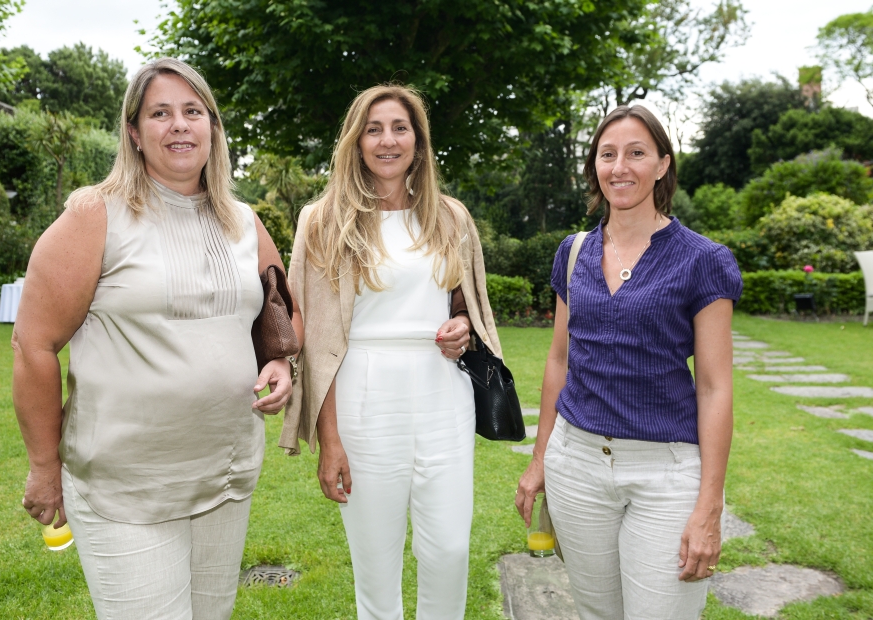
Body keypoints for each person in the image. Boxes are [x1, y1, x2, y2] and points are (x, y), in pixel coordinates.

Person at [12, 57, 302, 620]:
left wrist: (280, 363)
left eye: (193, 111)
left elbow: (281, 312)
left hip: (224, 476)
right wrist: (45, 467)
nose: (179, 125)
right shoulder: (95, 214)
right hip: (126, 486)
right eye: (160, 113)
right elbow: (33, 345)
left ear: (212, 127)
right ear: (134, 132)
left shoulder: (242, 219)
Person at [279, 84, 501, 620]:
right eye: (373, 129)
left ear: (418, 142)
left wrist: (462, 326)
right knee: (376, 566)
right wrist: (330, 439)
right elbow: (317, 341)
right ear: (355, 142)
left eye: (400, 128)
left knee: (449, 550)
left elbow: (466, 303)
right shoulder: (322, 221)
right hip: (364, 398)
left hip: (444, 396)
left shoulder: (451, 217)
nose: (387, 140)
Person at [515, 104, 743, 620]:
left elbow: (714, 387)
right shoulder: (574, 252)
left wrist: (710, 504)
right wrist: (540, 458)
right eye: (607, 154)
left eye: (636, 153)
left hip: (666, 473)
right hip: (576, 465)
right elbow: (559, 360)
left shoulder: (703, 260)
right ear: (594, 166)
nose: (620, 167)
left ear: (662, 164)